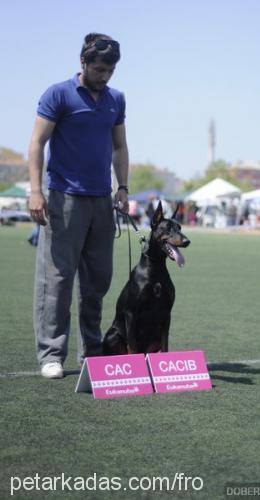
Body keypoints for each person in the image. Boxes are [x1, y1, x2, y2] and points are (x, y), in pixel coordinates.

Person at [28, 33, 129, 379]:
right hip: (63, 198)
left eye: (110, 70)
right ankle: (51, 354)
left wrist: (123, 187)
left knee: (97, 281)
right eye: (99, 69)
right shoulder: (58, 94)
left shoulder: (116, 99)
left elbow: (119, 148)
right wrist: (35, 191)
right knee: (56, 279)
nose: (104, 76)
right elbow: (37, 143)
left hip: (102, 201)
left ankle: (92, 352)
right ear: (83, 63)